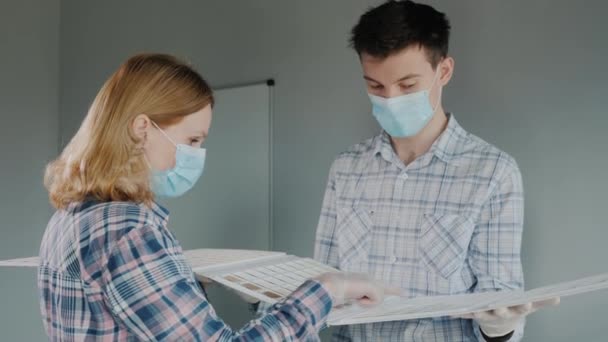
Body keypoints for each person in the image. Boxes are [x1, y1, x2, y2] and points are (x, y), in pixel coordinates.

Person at [38, 53, 391, 341]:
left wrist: (184, 281)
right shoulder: (128, 231)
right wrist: (327, 289)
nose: (198, 154)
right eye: (193, 140)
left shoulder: (73, 215)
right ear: (143, 128)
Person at [313, 1, 558, 341]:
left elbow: (501, 305)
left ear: (443, 71)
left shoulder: (493, 173)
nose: (391, 99)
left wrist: (499, 327)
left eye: (408, 85)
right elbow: (323, 290)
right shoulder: (346, 169)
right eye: (376, 87)